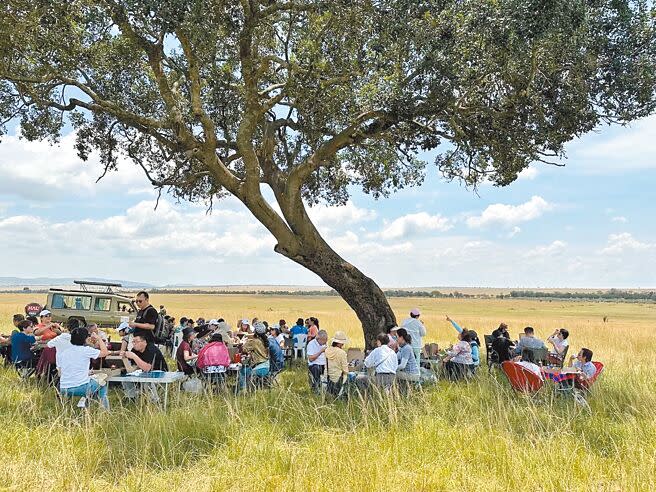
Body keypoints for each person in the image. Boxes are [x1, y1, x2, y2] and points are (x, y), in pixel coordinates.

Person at [57, 327, 110, 410]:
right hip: (80, 387)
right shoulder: (86, 350)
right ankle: (105, 411)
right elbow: (105, 352)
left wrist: (86, 372)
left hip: (63, 387)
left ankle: (83, 404)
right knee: (102, 384)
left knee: (91, 383)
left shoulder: (64, 352)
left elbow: (62, 371)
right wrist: (99, 338)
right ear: (85, 339)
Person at [238, 322, 270, 390]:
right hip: (267, 366)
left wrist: (242, 343)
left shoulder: (254, 341)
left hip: (259, 368)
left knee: (242, 371)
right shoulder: (265, 341)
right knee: (248, 369)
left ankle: (243, 390)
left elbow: (243, 349)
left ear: (255, 331)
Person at [325, 331, 349, 396]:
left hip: (328, 377)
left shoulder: (327, 350)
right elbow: (345, 370)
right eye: (342, 344)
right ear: (338, 343)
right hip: (339, 379)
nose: (343, 345)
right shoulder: (342, 353)